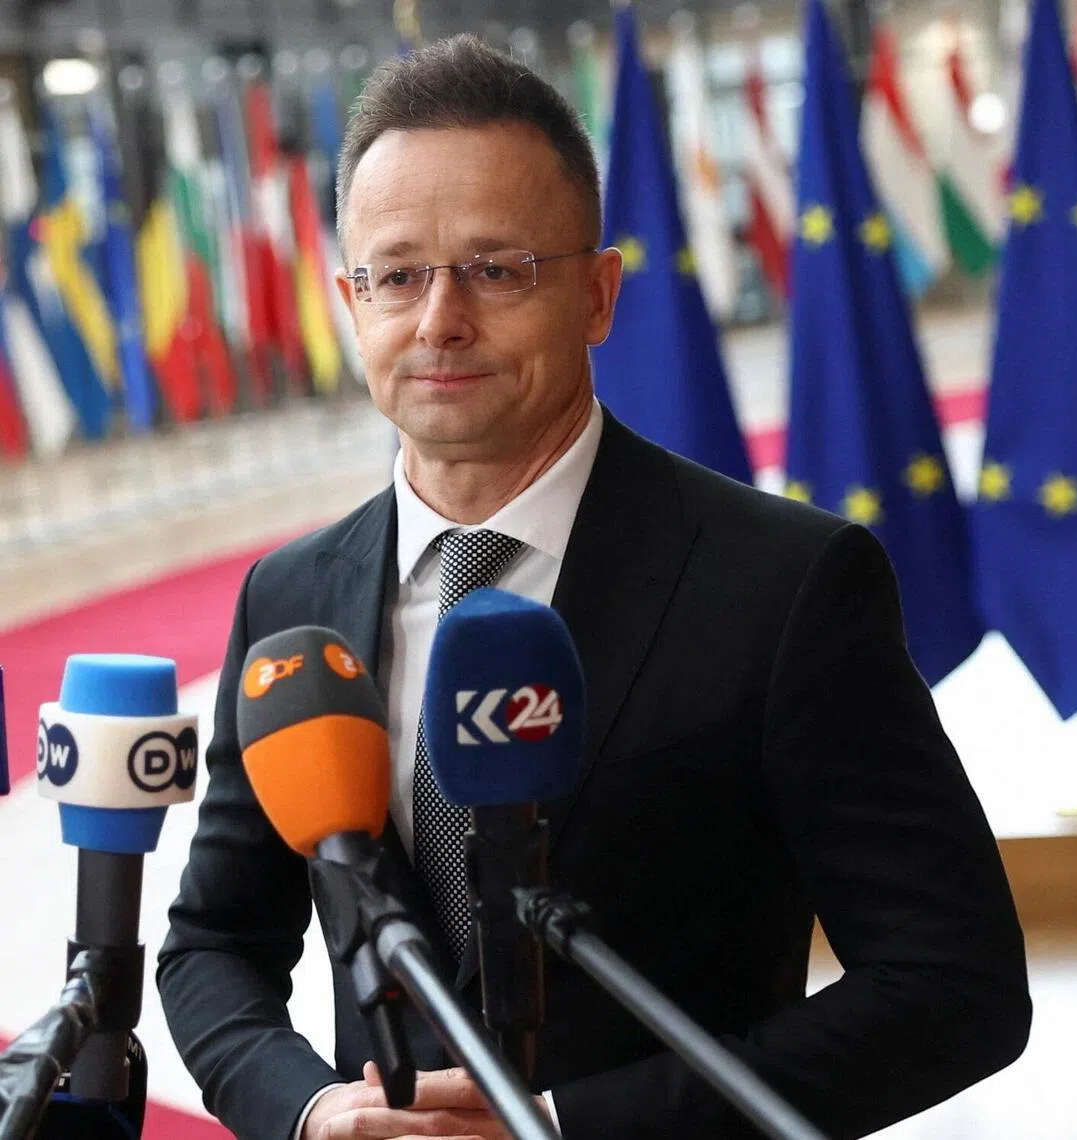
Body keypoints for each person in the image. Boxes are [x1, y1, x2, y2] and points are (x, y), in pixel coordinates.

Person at [158, 35, 1031, 1140]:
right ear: (351, 299)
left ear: (600, 294)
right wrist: (312, 1111)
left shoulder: (787, 585)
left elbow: (955, 983)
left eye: (496, 267)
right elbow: (214, 944)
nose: (439, 321)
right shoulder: (289, 596)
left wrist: (576, 1126)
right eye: (398, 274)